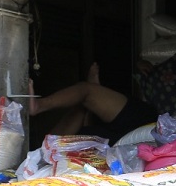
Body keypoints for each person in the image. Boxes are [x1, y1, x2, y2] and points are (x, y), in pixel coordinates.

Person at [28, 62, 157, 144]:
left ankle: (39, 105)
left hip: (141, 121)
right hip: (115, 137)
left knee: (86, 91)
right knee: (52, 143)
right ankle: (89, 100)